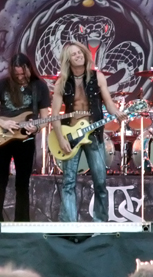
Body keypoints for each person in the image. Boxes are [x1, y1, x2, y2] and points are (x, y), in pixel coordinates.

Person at [51, 42, 126, 222]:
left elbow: (108, 102)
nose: (78, 55)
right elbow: (54, 115)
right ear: (68, 60)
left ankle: (100, 222)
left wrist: (117, 113)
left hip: (93, 134)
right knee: (69, 182)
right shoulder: (62, 82)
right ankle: (69, 225)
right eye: (74, 54)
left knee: (100, 181)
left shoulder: (97, 77)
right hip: (71, 137)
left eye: (80, 52)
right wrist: (61, 139)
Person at [0, 53, 51, 222]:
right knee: (0, 180)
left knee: (22, 183)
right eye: (16, 74)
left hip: (25, 139)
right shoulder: (3, 84)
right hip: (2, 136)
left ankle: (22, 223)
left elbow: (44, 118)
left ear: (29, 69)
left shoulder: (39, 86)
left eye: (23, 73)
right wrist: (2, 123)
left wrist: (37, 127)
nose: (20, 77)